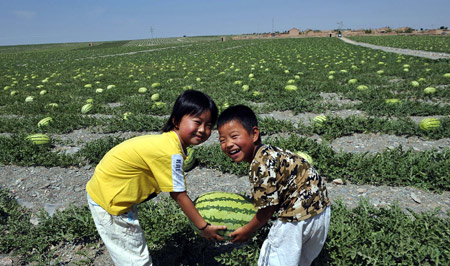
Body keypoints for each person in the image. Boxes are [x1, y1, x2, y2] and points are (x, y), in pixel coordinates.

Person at [86, 90, 226, 266]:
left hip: (109, 189)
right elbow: (178, 195)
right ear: (176, 121)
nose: (203, 130)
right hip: (110, 201)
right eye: (197, 122)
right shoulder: (170, 152)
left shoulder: (168, 143)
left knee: (131, 244)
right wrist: (203, 227)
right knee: (135, 257)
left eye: (209, 126)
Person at [217, 105, 331, 266]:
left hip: (295, 218)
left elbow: (267, 209)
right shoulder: (271, 152)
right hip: (321, 211)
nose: (228, 144)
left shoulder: (259, 165)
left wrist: (247, 230)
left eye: (234, 136)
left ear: (254, 134)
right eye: (222, 140)